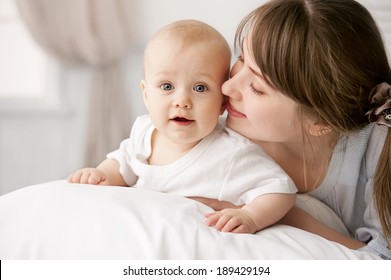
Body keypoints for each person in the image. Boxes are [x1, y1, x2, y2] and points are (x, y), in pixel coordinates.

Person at [198, 0, 390, 259]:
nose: (227, 88)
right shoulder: (226, 139)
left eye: (256, 86)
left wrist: (274, 210)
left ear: (321, 122)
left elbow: (381, 261)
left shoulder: (379, 151)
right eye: (241, 58)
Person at [67, 19, 297, 234]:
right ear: (146, 95)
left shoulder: (231, 152)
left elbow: (280, 189)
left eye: (200, 88)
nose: (182, 101)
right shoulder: (144, 130)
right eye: (167, 86)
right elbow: (123, 162)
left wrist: (250, 216)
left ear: (222, 103)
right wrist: (101, 174)